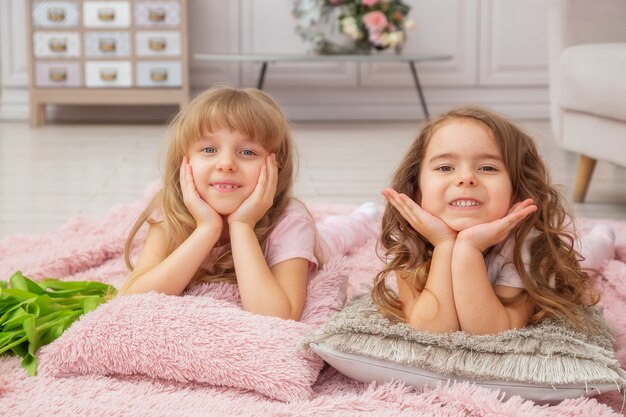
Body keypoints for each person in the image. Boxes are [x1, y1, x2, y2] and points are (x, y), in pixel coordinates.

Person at [121, 85, 379, 321]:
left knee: (338, 233)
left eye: (247, 152)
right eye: (209, 150)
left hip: (318, 241)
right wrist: (206, 230)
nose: (226, 164)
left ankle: (364, 217)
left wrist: (242, 226)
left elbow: (280, 315)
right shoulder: (173, 208)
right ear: (184, 161)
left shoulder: (290, 221)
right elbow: (132, 298)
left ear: (275, 165)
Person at [372, 106, 615, 335]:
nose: (466, 178)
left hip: (555, 256)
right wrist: (445, 245)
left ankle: (605, 236)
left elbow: (494, 331)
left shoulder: (526, 243)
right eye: (445, 168)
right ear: (416, 190)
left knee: (583, 258)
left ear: (517, 191)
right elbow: (431, 330)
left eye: (487, 168)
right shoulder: (410, 239)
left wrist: (468, 248)